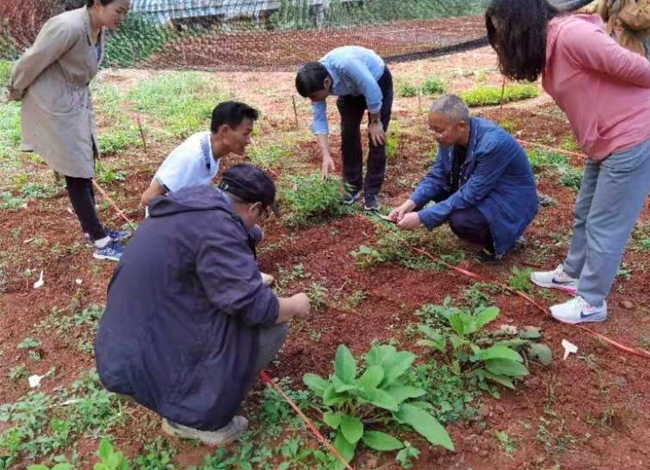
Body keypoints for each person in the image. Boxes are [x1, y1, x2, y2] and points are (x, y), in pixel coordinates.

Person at [486, 0, 650, 324]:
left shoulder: (570, 35)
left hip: (636, 135)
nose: (503, 42)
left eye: (505, 32)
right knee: (586, 211)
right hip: (607, 139)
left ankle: (591, 301)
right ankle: (572, 274)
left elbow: (626, 61)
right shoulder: (549, 48)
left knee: (606, 223)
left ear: (522, 22)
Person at [95, 164, 311, 445]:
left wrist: (246, 270)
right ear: (255, 208)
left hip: (119, 359)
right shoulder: (219, 229)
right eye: (264, 215)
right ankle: (197, 417)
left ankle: (178, 395)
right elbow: (257, 309)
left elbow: (192, 267)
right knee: (272, 327)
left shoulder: (187, 205)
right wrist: (295, 305)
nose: (261, 224)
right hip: (142, 368)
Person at [7, 0, 131, 261]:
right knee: (77, 171)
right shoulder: (67, 27)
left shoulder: (97, 27)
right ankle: (100, 242)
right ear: (98, 4)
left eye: (125, 12)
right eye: (119, 11)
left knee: (84, 164)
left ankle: (95, 229)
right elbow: (32, 60)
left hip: (73, 103)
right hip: (53, 104)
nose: (122, 17)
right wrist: (14, 90)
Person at [389, 94, 538, 264]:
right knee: (441, 191)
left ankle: (507, 239)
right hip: (482, 188)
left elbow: (471, 194)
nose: (434, 135)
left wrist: (422, 217)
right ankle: (485, 224)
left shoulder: (493, 144)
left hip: (510, 200)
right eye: (432, 129)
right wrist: (410, 204)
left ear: (460, 126)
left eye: (438, 130)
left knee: (461, 221)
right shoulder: (450, 139)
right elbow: (437, 175)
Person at [295, 46, 393, 211]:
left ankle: (372, 193)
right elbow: (319, 120)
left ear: (327, 82)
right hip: (350, 91)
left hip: (376, 81)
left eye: (313, 96)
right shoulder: (316, 81)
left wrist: (375, 121)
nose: (312, 100)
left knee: (377, 139)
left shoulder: (346, 64)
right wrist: (326, 156)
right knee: (348, 135)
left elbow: (372, 90)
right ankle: (352, 187)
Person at [140, 101, 258, 207]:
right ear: (224, 131)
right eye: (245, 134)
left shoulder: (209, 145)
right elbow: (148, 198)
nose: (249, 140)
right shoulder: (191, 157)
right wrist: (194, 210)